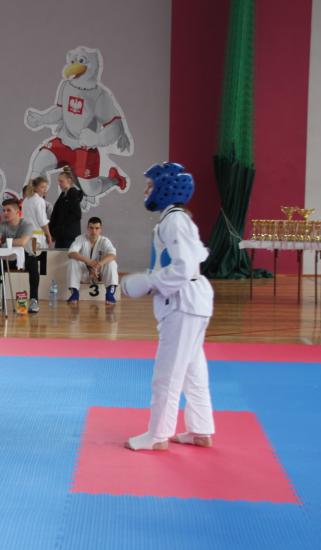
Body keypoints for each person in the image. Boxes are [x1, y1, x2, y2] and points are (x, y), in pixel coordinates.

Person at [120, 162, 215, 451]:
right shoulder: (177, 219)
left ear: (165, 188)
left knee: (168, 374)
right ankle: (200, 430)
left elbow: (184, 267)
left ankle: (158, 435)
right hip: (192, 301)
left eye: (150, 185)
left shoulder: (174, 221)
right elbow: (193, 260)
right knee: (192, 371)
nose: (146, 191)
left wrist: (149, 282)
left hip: (183, 303)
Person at [0, 198, 42, 314]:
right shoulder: (1, 225)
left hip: (25, 256)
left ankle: (34, 300)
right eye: (4, 210)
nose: (5, 213)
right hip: (7, 257)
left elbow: (22, 242)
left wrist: (3, 243)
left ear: (17, 212)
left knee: (34, 264)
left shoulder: (27, 224)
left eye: (8, 210)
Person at [66, 217, 119, 305]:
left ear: (100, 229)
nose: (94, 231)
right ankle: (74, 293)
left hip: (99, 275)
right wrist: (88, 261)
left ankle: (110, 293)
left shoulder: (105, 241)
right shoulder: (80, 239)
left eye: (97, 228)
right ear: (87, 228)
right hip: (84, 274)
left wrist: (98, 265)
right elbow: (71, 253)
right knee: (72, 261)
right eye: (91, 228)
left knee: (112, 263)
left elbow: (113, 255)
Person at [49, 166, 84, 248]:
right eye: (58, 181)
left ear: (69, 181)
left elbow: (77, 214)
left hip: (69, 237)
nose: (59, 184)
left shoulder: (73, 194)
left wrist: (60, 227)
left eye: (61, 181)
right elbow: (55, 215)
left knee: (67, 256)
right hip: (61, 236)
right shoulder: (63, 195)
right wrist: (52, 232)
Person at [22, 176, 53, 248]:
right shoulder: (39, 200)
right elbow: (42, 221)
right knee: (38, 254)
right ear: (35, 188)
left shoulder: (26, 200)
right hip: (37, 237)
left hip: (26, 236)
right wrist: (48, 235)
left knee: (30, 254)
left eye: (45, 187)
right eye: (42, 187)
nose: (45, 190)